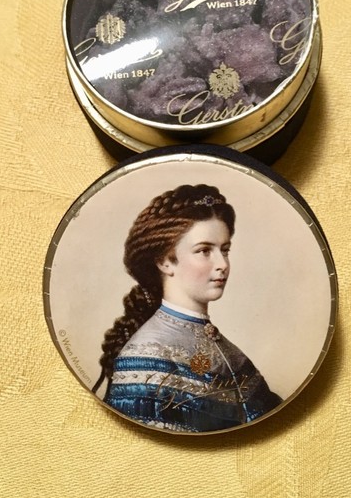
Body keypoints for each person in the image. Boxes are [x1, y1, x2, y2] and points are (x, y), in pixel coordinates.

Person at [93, 184, 281, 432]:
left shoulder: (228, 349)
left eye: (225, 250)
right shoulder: (146, 356)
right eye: (204, 251)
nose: (222, 264)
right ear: (165, 262)